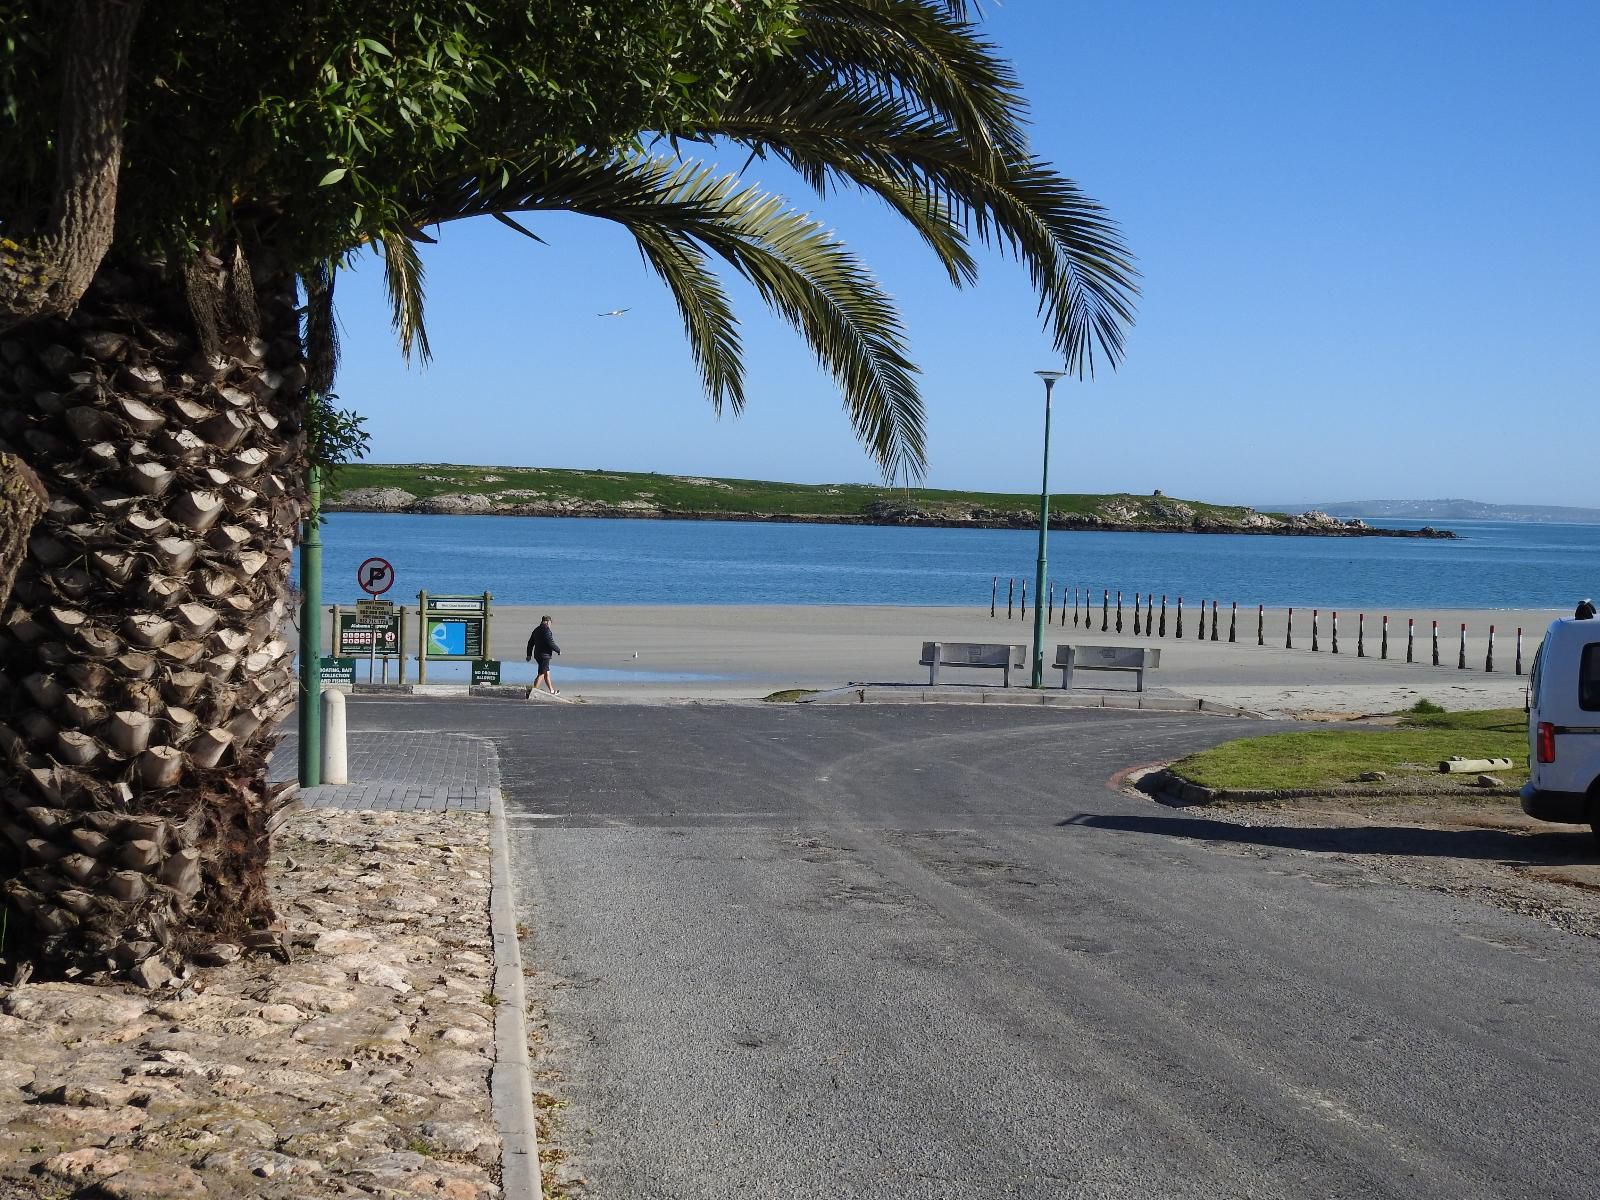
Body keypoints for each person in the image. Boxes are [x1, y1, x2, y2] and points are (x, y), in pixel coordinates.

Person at [525, 615, 562, 693]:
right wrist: (558, 650)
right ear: (548, 622)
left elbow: (530, 643)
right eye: (550, 623)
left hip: (537, 655)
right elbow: (550, 642)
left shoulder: (536, 630)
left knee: (546, 673)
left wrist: (529, 655)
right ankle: (533, 691)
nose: (550, 625)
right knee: (541, 673)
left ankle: (552, 691)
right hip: (544, 655)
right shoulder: (546, 630)